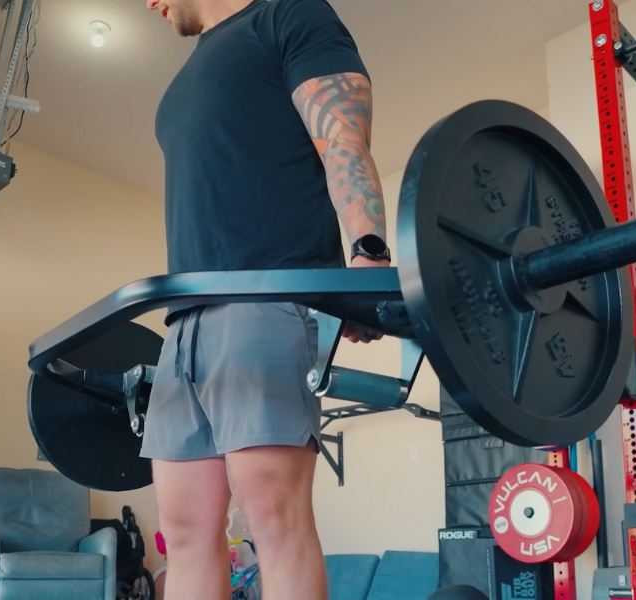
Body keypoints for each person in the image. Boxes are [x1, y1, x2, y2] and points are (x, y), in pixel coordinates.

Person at [140, 0, 389, 599]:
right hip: (183, 320)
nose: (148, 3)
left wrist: (367, 255)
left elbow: (342, 139)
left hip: (266, 297)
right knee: (183, 529)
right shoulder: (180, 83)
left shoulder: (288, 16)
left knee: (271, 516)